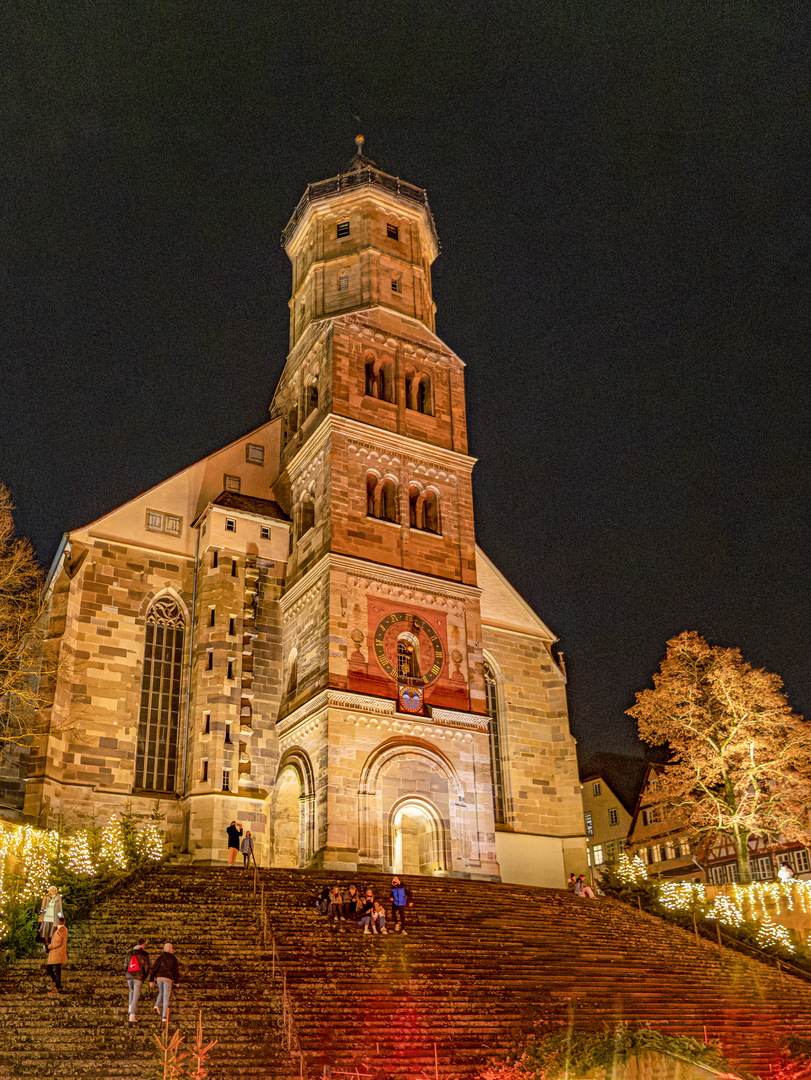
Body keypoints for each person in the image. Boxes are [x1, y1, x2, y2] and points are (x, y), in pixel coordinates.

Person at [148, 943, 180, 1022]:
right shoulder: (173, 958)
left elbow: (154, 968)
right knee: (166, 997)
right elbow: (175, 971)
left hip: (159, 978)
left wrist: (151, 979)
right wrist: (177, 981)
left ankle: (157, 1005)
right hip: (167, 978)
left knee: (161, 992)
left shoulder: (160, 958)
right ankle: (164, 1016)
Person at [125, 938, 150, 1023]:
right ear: (143, 944)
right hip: (138, 976)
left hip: (129, 975)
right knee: (136, 994)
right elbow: (146, 967)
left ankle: (129, 1007)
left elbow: (125, 965)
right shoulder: (144, 954)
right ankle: (132, 1015)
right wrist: (145, 976)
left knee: (131, 991)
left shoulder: (129, 954)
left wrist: (127, 974)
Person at [46, 915, 68, 994]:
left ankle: (57, 984)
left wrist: (49, 946)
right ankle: (57, 984)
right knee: (56, 968)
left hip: (56, 953)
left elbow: (57, 942)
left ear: (58, 922)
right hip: (59, 953)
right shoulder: (64, 929)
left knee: (51, 968)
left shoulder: (60, 931)